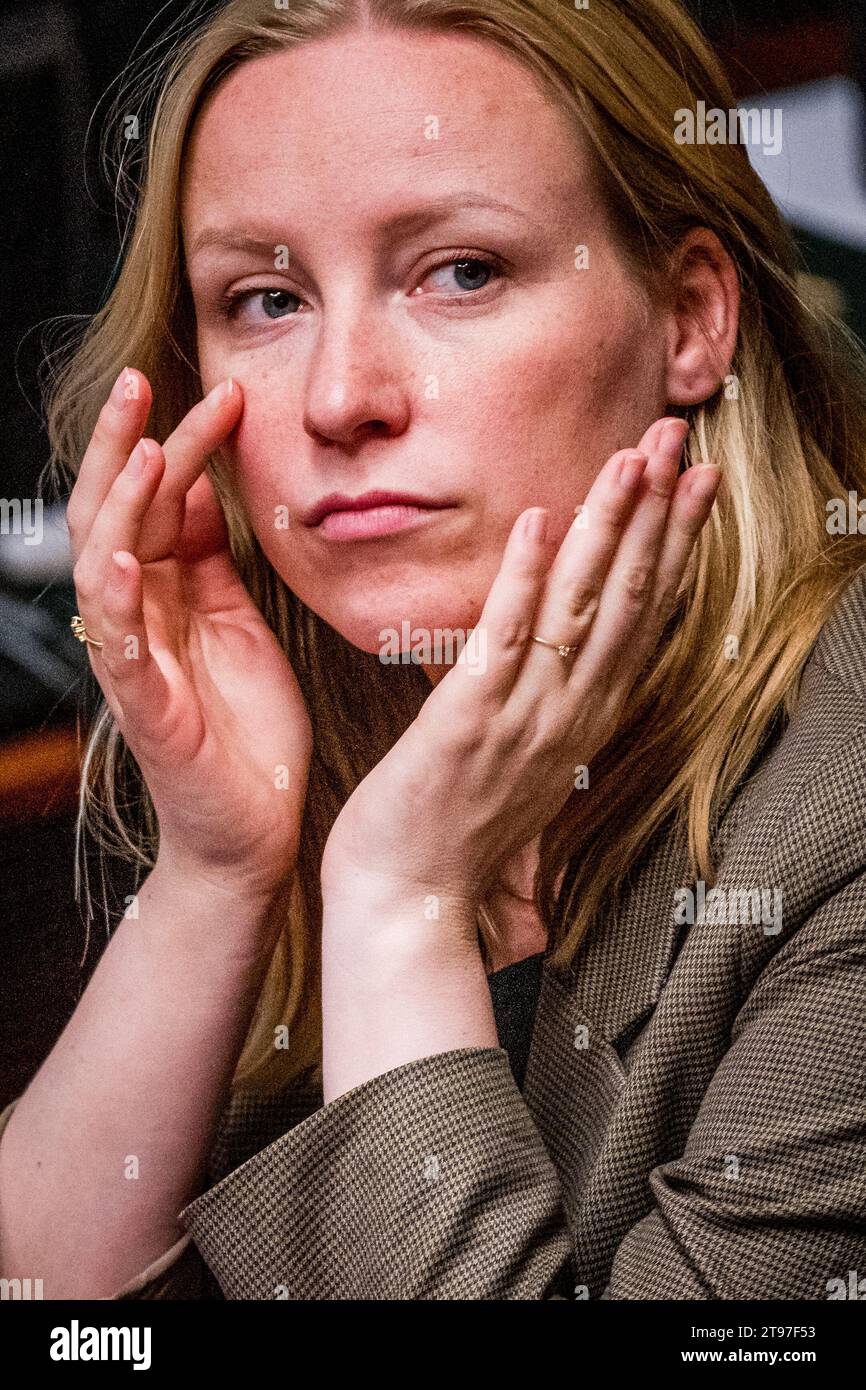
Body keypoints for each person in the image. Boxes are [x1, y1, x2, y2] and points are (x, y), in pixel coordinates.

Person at [1, 0, 865, 1301]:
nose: (342, 396)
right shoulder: (328, 722)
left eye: (458, 270)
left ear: (690, 318)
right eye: (266, 298)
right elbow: (60, 1305)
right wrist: (215, 873)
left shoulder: (840, 813)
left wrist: (398, 902)